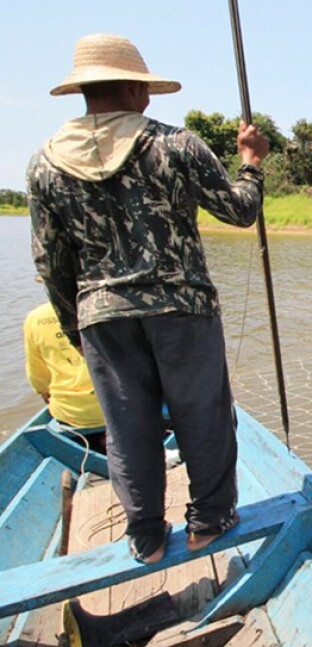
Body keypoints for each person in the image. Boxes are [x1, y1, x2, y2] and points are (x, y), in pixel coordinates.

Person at [28, 33, 270, 564]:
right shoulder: (176, 145)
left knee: (127, 426)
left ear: (84, 92)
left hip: (101, 315)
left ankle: (145, 536)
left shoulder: (44, 165)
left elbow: (50, 262)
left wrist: (76, 326)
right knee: (203, 415)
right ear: (137, 90)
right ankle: (209, 521)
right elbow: (239, 210)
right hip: (182, 308)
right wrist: (252, 162)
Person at [24, 300, 106, 452]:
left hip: (71, 413)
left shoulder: (35, 318)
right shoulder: (107, 304)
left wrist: (44, 392)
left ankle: (100, 441)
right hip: (120, 406)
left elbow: (38, 378)